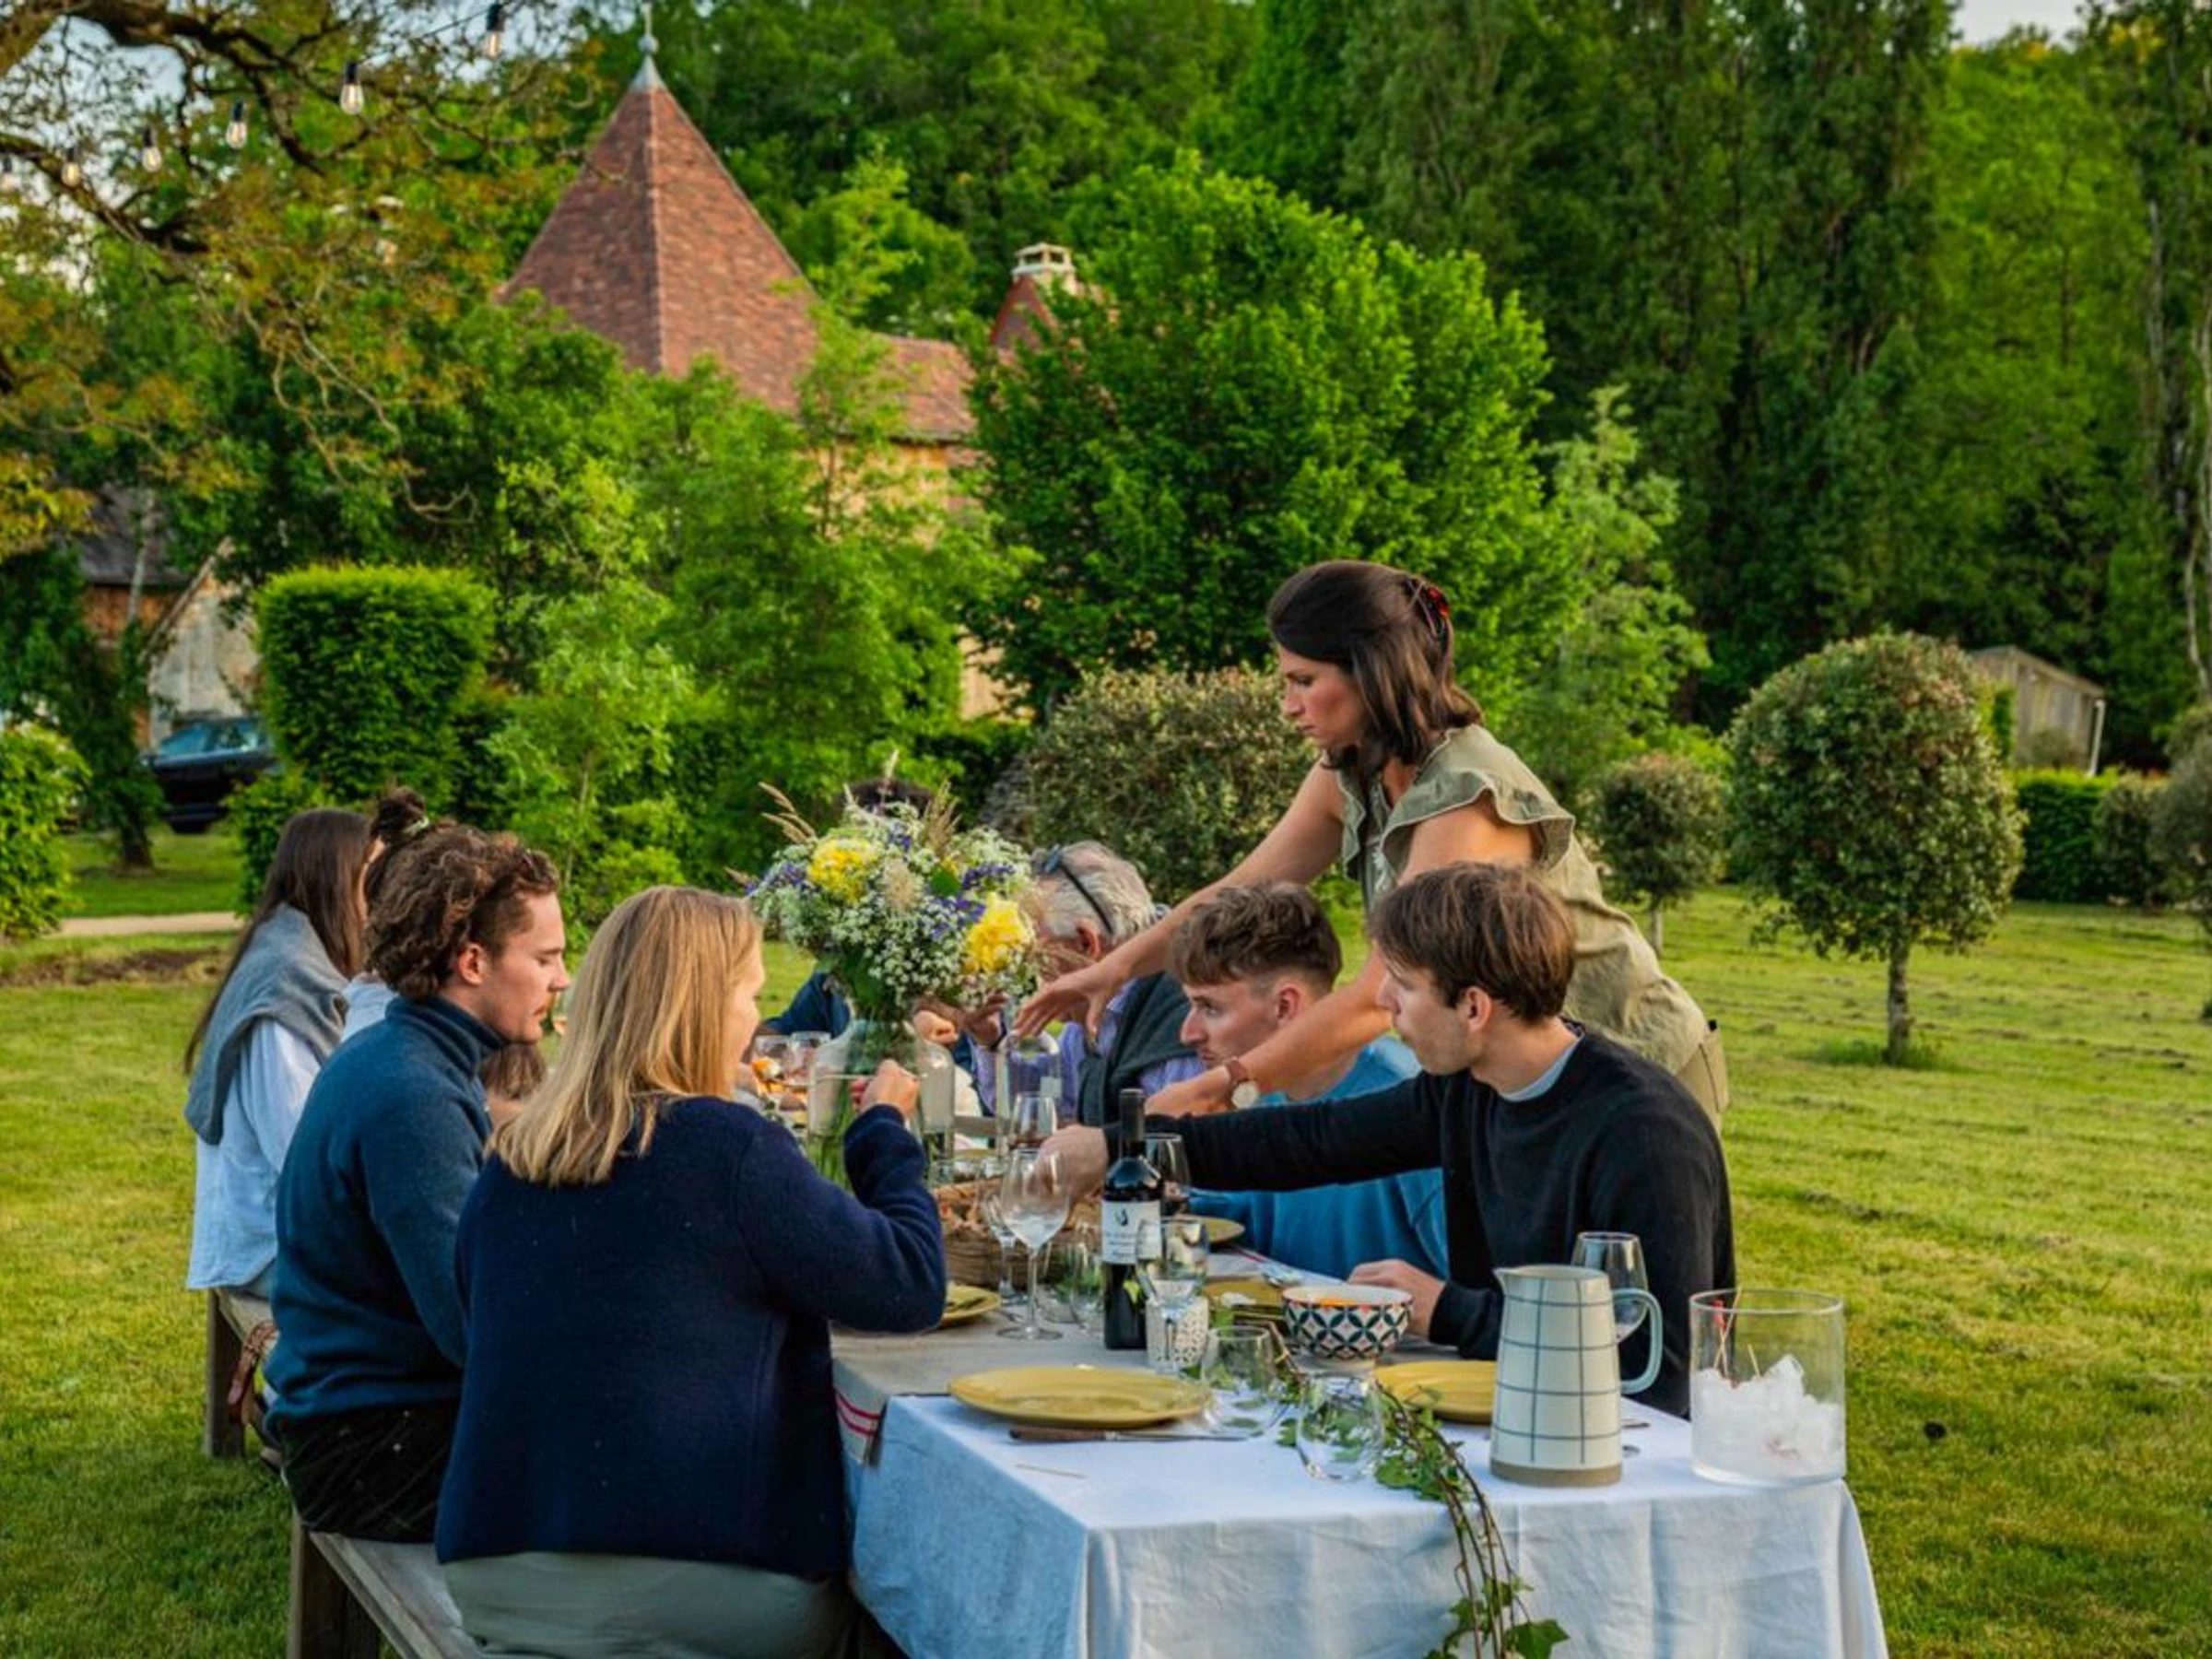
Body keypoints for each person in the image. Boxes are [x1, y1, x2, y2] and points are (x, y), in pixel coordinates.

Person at [1017, 560, 1727, 1124]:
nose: (1288, 706)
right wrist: (1116, 970)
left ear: (1371, 670)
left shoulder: (1469, 796)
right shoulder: (1350, 772)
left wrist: (1223, 1084)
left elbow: (1376, 997)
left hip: (1631, 1060)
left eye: (1304, 681)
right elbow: (1239, 889)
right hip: (1516, 1063)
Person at [436, 887, 942, 1659]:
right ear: (702, 1007)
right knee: (904, 1610)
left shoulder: (511, 1163)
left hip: (496, 1567)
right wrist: (883, 1130)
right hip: (699, 1576)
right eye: (748, 995)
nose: (753, 1019)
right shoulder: (728, 1147)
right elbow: (910, 1281)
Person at [1042, 864, 1734, 1416]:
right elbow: (1309, 1141)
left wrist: (1447, 1311)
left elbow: (1656, 1361)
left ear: (1473, 1007)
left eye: (1402, 986)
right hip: (1504, 1410)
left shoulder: (1643, 1132)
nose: (1381, 1005)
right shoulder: (1469, 1088)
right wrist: (1122, 1145)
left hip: (1625, 1454)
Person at [265, 827, 568, 1541]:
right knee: (652, 1461)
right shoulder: (413, 1096)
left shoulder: (407, 1054)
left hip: (369, 1421)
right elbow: (472, 1327)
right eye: (545, 958)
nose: (561, 979)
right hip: (370, 1450)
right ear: (473, 961)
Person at [1170, 884, 1441, 1279]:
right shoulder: (1252, 1097)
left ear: (1285, 1005)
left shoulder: (1413, 1108)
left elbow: (1489, 1294)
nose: (1187, 1033)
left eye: (1209, 1007)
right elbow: (1229, 1218)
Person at [183, 809, 372, 1299]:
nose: (385, 897)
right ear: (337, 881)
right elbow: (301, 1156)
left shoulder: (300, 959)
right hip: (270, 1249)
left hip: (294, 1235)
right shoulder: (283, 989)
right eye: (373, 878)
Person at [975, 841, 1203, 1125]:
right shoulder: (1087, 1022)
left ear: (1086, 943)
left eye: (1035, 952)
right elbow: (1046, 1107)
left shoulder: (1183, 1020)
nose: (1027, 970)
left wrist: (1099, 1143)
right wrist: (992, 1039)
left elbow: (1180, 1143)